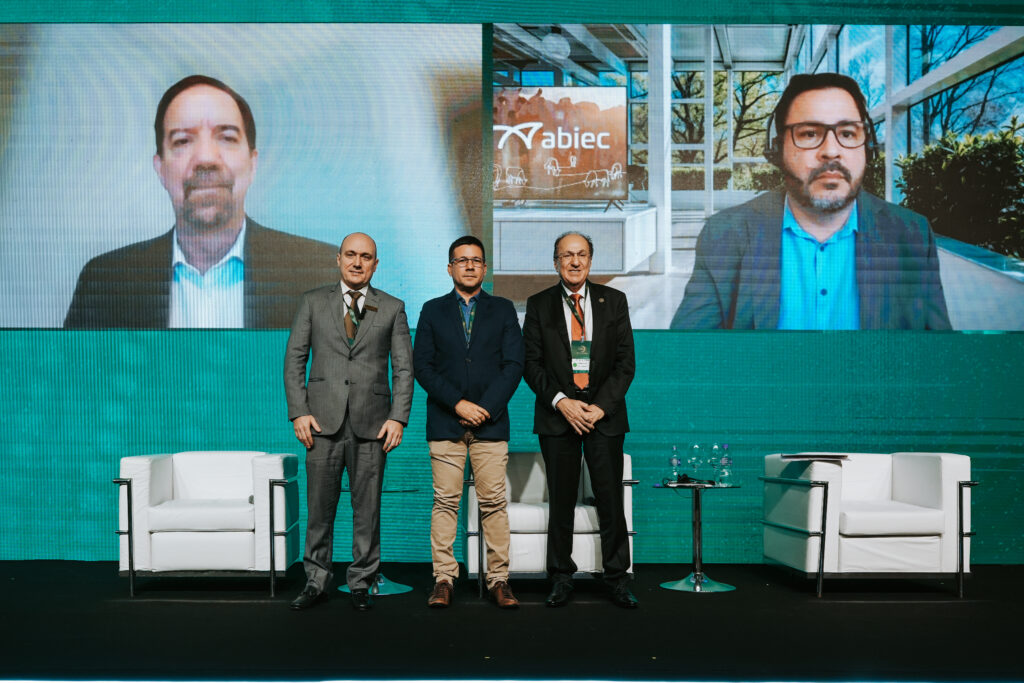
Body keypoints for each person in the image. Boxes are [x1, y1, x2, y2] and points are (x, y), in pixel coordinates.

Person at [672, 72, 951, 330]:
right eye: (809, 134)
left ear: (867, 147)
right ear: (778, 148)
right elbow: (688, 355)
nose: (831, 151)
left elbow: (938, 357)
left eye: (847, 134)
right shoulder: (724, 235)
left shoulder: (911, 235)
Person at [64, 74, 337, 329]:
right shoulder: (104, 285)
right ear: (160, 169)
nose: (206, 158)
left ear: (252, 164)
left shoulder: (326, 277)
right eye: (183, 141)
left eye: (227, 138)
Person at [283, 232, 413, 611]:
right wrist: (299, 411)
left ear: (376, 264)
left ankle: (361, 581)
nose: (358, 262)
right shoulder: (312, 302)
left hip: (373, 425)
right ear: (338, 259)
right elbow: (295, 359)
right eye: (351, 255)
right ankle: (316, 580)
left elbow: (404, 369)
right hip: (321, 424)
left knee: (367, 511)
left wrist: (398, 418)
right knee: (319, 510)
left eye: (366, 257)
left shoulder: (392, 307)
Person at [522, 231, 637, 609]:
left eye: (582, 254)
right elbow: (531, 365)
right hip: (559, 417)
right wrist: (562, 403)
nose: (575, 262)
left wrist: (600, 407)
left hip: (604, 416)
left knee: (610, 498)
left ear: (590, 259)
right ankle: (560, 577)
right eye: (567, 255)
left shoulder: (614, 301)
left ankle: (617, 578)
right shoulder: (539, 304)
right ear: (555, 262)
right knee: (561, 500)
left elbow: (625, 363)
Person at [413, 235, 524, 609]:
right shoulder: (431, 310)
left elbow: (514, 365)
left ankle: (499, 580)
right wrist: (459, 404)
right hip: (446, 422)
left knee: (493, 502)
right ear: (450, 268)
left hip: (491, 424)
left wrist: (485, 408)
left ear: (485, 268)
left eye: (476, 260)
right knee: (445, 502)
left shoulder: (503, 309)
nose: (470, 266)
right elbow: (422, 366)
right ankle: (443, 579)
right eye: (462, 260)